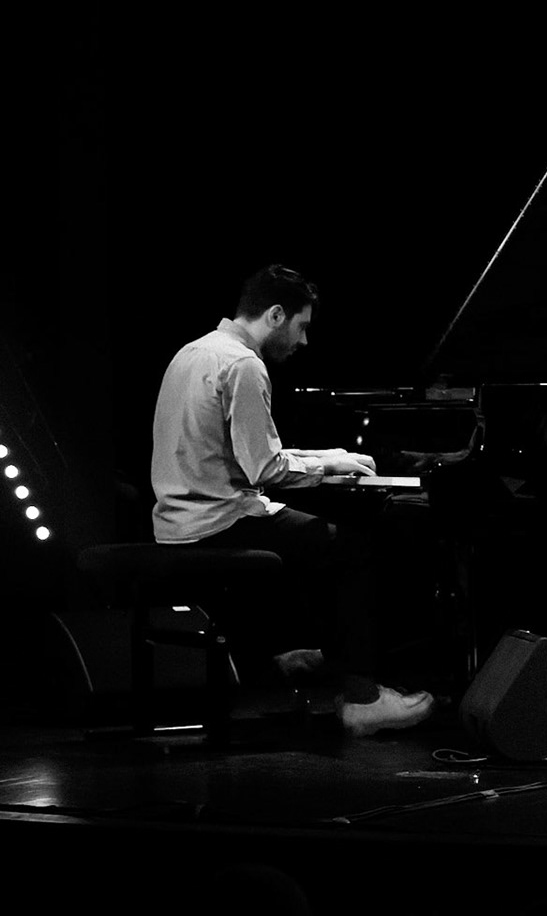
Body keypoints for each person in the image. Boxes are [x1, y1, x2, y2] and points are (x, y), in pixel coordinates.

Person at [150, 263, 434, 735]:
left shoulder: (194, 351)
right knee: (350, 547)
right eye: (302, 326)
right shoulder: (243, 364)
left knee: (319, 540)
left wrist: (332, 455)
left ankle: (316, 656)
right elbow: (264, 470)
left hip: (176, 520)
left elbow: (247, 454)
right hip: (217, 521)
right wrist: (324, 467)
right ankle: (360, 695)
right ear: (277, 315)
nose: (303, 342)